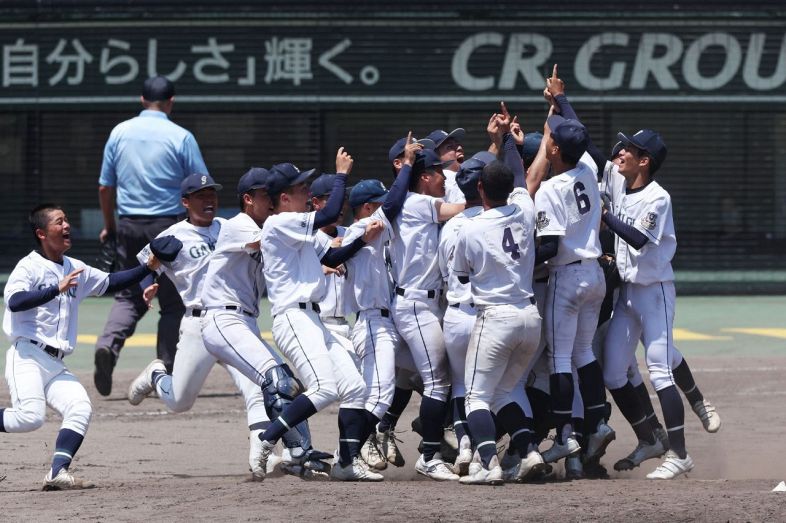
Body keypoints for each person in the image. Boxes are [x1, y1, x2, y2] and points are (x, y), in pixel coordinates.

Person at [126, 173, 317, 479]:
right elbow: (145, 263)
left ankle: (262, 455)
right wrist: (149, 284)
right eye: (200, 195)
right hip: (199, 325)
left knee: (258, 385)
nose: (209, 200)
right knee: (180, 401)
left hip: (240, 321)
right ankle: (157, 374)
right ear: (186, 202)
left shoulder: (230, 227)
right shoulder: (174, 234)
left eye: (212, 194)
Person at [2, 204, 159, 490]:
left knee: (80, 406)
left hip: (56, 363)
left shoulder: (75, 268)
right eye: (59, 222)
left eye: (67, 220)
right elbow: (14, 300)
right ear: (41, 233)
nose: (66, 226)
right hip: (27, 355)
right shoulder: (29, 266)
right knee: (29, 418)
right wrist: (54, 289)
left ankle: (57, 472)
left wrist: (147, 268)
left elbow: (111, 281)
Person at [255, 153, 385, 482]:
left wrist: (361, 242)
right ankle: (268, 439)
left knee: (355, 387)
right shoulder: (279, 222)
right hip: (293, 318)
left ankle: (346, 462)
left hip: (312, 320)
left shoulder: (298, 227)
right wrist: (341, 176)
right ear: (284, 198)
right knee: (324, 388)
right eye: (301, 188)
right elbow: (328, 211)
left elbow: (332, 254)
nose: (306, 192)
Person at [95, 75, 209, 396]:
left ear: (142, 100)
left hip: (130, 223)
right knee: (172, 302)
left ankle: (108, 346)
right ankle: (166, 368)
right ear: (171, 101)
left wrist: (111, 225)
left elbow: (105, 186)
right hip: (169, 227)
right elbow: (201, 185)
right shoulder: (181, 136)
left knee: (130, 294)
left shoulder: (119, 132)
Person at [534, 112, 615, 467]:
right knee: (585, 353)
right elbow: (584, 144)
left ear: (554, 147)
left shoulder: (551, 189)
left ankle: (565, 437)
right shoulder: (588, 171)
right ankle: (597, 425)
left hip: (566, 276)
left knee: (561, 359)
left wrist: (518, 260)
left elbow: (549, 248)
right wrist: (560, 102)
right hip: (595, 272)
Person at [342, 134, 420, 473]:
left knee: (421, 372)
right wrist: (408, 166)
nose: (384, 207)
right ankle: (348, 453)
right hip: (373, 322)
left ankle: (357, 445)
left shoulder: (372, 235)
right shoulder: (362, 227)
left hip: (386, 322)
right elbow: (395, 203)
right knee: (379, 395)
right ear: (365, 208)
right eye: (377, 203)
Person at [389, 148, 465, 481]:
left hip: (425, 303)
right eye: (437, 172)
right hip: (417, 304)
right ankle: (430, 455)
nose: (442, 177)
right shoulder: (416, 202)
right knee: (437, 382)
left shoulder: (413, 202)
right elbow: (463, 208)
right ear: (423, 177)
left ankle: (373, 435)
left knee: (410, 379)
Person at [425, 128, 466, 204]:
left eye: (457, 144)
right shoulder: (449, 176)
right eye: (449, 147)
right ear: (435, 157)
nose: (459, 148)